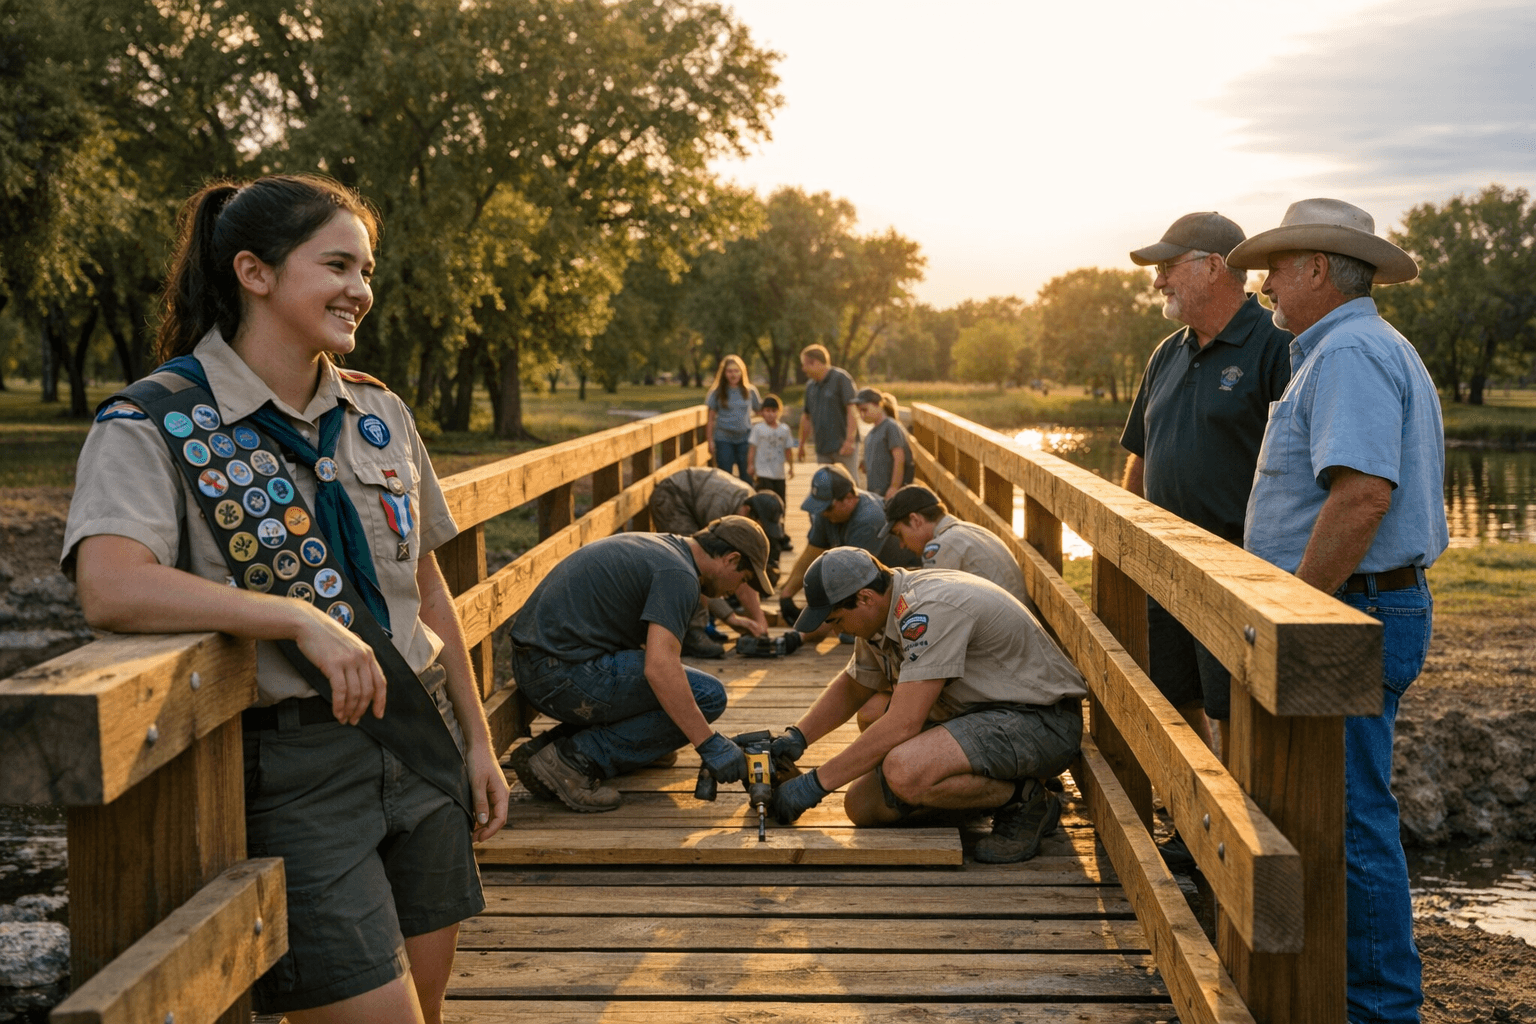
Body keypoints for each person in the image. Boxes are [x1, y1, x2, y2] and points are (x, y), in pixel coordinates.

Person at [64, 175, 508, 1023]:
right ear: (254, 273)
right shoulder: (157, 421)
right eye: (337, 264)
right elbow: (110, 584)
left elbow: (425, 588)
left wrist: (478, 741)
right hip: (299, 772)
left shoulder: (379, 414)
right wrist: (293, 615)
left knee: (428, 1006)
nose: (361, 290)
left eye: (367, 270)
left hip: (423, 744)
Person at [1227, 198, 1447, 1024]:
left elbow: (1360, 499)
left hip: (1347, 619)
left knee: (1352, 822)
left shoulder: (1349, 352)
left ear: (1319, 268)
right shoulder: (1355, 346)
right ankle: (1351, 997)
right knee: (1336, 811)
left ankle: (1381, 1012)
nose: (1266, 285)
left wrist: (1293, 611)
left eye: (1278, 268)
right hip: (1358, 609)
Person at [766, 548, 1087, 863]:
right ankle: (983, 790)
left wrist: (814, 785)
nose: (834, 630)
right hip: (983, 715)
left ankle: (1026, 801)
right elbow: (855, 685)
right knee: (862, 805)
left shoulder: (927, 611)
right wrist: (797, 737)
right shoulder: (881, 610)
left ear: (864, 598)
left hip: (1040, 721)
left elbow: (904, 722)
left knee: (904, 770)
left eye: (835, 620)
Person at [1120, 212, 1293, 770]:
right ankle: (1196, 820)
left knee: (1233, 705)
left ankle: (1238, 842)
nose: (1158, 282)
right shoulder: (1166, 353)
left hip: (1238, 570)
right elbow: (1141, 458)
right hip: (1167, 566)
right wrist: (1132, 542)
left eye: (1169, 267)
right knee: (1175, 694)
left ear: (1215, 267)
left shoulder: (1277, 347)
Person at [506, 517, 774, 813]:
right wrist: (708, 743)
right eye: (744, 579)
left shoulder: (665, 547)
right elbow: (660, 668)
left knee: (677, 693)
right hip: (560, 674)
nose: (737, 590)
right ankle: (572, 761)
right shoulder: (679, 575)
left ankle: (546, 750)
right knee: (708, 695)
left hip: (537, 664)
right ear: (731, 559)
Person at [646, 466, 782, 653]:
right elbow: (703, 569)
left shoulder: (748, 507)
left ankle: (703, 624)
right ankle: (694, 632)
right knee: (690, 567)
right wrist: (730, 617)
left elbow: (745, 569)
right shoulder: (722, 513)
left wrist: (758, 619)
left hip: (695, 498)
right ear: (747, 511)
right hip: (674, 497)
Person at [776, 464, 915, 639]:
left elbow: (846, 586)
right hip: (867, 582)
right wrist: (787, 594)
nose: (823, 514)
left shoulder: (869, 519)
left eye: (827, 508)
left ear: (849, 497)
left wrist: (801, 636)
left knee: (849, 632)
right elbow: (812, 553)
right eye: (820, 508)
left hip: (899, 586)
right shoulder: (828, 512)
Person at [798, 344, 859, 481]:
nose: (803, 369)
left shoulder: (841, 379)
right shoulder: (810, 386)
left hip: (843, 448)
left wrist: (850, 440)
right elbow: (806, 417)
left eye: (805, 364)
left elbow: (852, 410)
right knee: (826, 488)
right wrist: (801, 444)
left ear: (816, 362)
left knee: (849, 485)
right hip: (822, 449)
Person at [705, 354, 761, 483]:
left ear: (742, 372)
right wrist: (710, 440)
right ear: (724, 373)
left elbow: (760, 411)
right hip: (724, 439)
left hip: (745, 440)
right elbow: (711, 418)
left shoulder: (750, 391)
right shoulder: (717, 392)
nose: (733, 374)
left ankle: (748, 502)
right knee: (725, 478)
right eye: (730, 371)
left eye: (736, 371)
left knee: (747, 477)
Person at [855, 388, 913, 499]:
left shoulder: (890, 427)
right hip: (876, 494)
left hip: (889, 494)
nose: (862, 415)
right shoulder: (871, 434)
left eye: (865, 410)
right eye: (859, 412)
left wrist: (894, 487)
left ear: (878, 405)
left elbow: (899, 458)